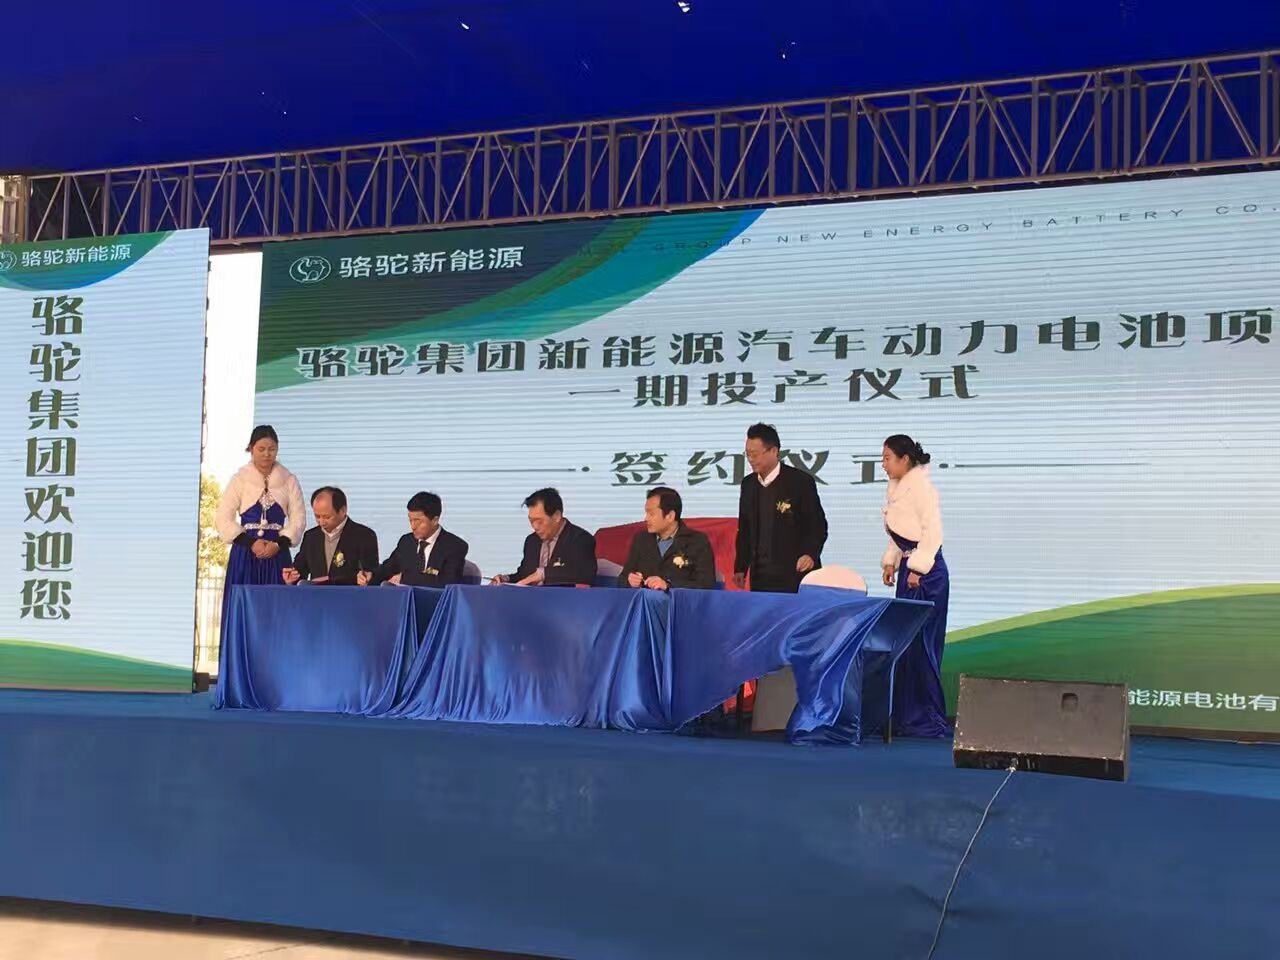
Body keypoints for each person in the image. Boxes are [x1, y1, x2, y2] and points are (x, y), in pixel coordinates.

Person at [880, 434, 950, 738]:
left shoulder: (922, 488)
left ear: (904, 459)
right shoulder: (896, 488)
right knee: (905, 644)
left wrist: (919, 569)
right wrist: (891, 562)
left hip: (927, 575)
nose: (883, 465)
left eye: (887, 458)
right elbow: (902, 535)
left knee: (922, 644)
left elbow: (932, 532)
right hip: (910, 570)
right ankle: (905, 716)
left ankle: (925, 716)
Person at [215, 425, 306, 630]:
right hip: (245, 555)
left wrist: (279, 544)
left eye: (271, 449)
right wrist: (250, 542)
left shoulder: (288, 480)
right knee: (243, 614)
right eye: (261, 449)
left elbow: (298, 518)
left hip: (277, 555)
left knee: (277, 612)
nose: (267, 454)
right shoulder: (240, 479)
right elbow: (223, 518)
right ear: (251, 448)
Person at [733, 423, 828, 593]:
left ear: (774, 451)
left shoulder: (800, 482)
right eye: (748, 454)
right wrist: (740, 567)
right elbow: (745, 529)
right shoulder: (748, 484)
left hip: (795, 572)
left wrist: (810, 554)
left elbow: (817, 525)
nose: (751, 459)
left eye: (755, 454)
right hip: (760, 575)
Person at [358, 492, 469, 587]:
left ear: (435, 520)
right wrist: (370, 576)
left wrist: (405, 579)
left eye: (418, 521)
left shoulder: (455, 546)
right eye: (410, 520)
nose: (413, 526)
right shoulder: (406, 542)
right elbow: (387, 569)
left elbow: (448, 582)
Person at [491, 487, 596, 586]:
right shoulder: (531, 541)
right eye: (531, 521)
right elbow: (525, 575)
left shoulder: (580, 539)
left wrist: (542, 574)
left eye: (540, 521)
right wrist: (506, 579)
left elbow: (583, 574)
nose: (535, 527)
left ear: (557, 516)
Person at [618, 487, 716, 590]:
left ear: (670, 516)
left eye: (651, 514)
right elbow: (622, 579)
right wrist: (630, 581)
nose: (646, 518)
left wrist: (669, 585)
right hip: (645, 599)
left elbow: (706, 584)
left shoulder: (697, 541)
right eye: (646, 513)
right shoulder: (641, 540)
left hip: (679, 600)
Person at [282, 486, 379, 585]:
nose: (321, 522)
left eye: (327, 517)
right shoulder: (311, 537)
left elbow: (371, 574)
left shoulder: (364, 536)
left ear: (342, 510)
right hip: (316, 593)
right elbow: (300, 569)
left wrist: (362, 579)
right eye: (317, 516)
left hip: (350, 593)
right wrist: (292, 576)